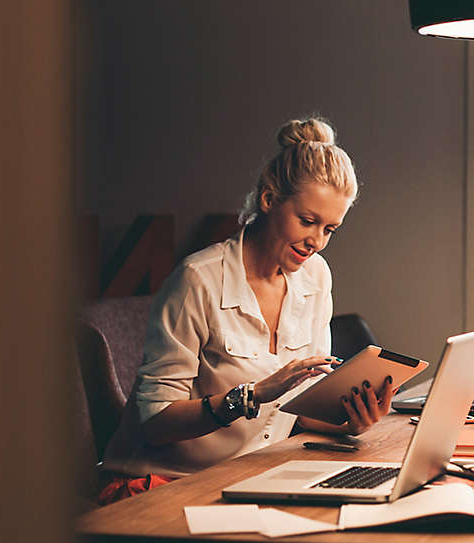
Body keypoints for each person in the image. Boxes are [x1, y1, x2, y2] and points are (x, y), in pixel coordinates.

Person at [105, 116, 396, 478]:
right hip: (162, 482)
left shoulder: (316, 276)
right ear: (269, 199)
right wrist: (252, 394)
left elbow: (296, 409)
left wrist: (351, 421)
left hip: (250, 474)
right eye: (307, 221)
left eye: (329, 229)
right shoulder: (198, 280)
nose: (317, 241)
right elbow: (156, 423)